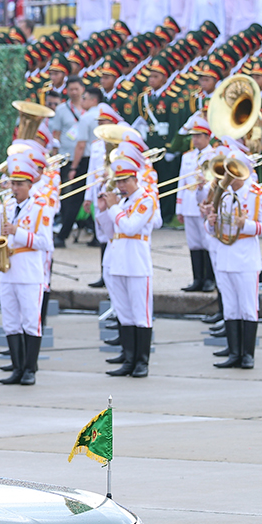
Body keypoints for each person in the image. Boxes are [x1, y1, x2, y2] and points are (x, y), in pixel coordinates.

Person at [0, 151, 52, 386]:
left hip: (29, 271)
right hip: (8, 270)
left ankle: (30, 369)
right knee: (10, 320)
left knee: (31, 320)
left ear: (30, 184)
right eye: (13, 183)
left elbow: (45, 242)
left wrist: (17, 233)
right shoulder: (8, 205)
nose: (15, 188)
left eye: (20, 184)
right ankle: (17, 368)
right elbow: (2, 230)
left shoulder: (41, 207)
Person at [203, 149, 262, 369]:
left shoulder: (256, 193)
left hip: (245, 257)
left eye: (233, 170)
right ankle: (234, 353)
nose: (228, 175)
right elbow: (210, 228)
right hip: (224, 255)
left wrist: (248, 225)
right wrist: (211, 221)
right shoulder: (220, 192)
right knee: (231, 307)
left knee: (247, 306)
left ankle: (248, 354)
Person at [101, 157, 158, 378]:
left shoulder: (146, 199)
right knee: (124, 313)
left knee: (140, 314)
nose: (121, 186)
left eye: (125, 181)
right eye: (119, 181)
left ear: (135, 178)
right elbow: (109, 231)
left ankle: (141, 362)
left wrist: (114, 208)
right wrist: (104, 208)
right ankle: (128, 359)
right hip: (118, 261)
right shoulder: (122, 203)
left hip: (136, 262)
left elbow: (131, 227)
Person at [177, 114, 217, 292]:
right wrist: (179, 207)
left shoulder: (214, 155)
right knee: (194, 242)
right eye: (193, 136)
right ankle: (197, 279)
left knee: (207, 241)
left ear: (208, 137)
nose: (195, 139)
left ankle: (209, 278)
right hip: (188, 203)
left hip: (205, 203)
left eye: (199, 136)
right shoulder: (187, 156)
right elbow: (181, 182)